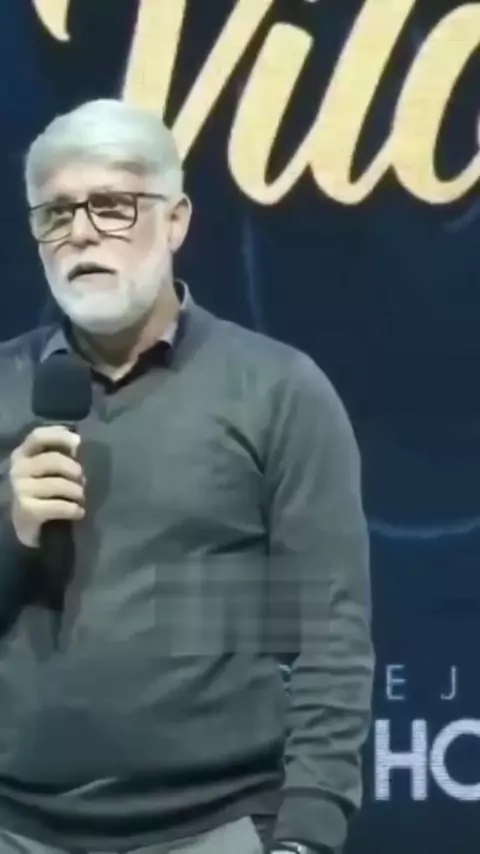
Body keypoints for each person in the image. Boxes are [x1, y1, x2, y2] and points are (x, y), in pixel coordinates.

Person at [0, 99, 373, 854]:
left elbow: (328, 634)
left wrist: (307, 834)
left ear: (175, 222)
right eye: (56, 213)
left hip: (216, 825)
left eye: (111, 206)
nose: (80, 233)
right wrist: (9, 531)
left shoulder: (277, 391)